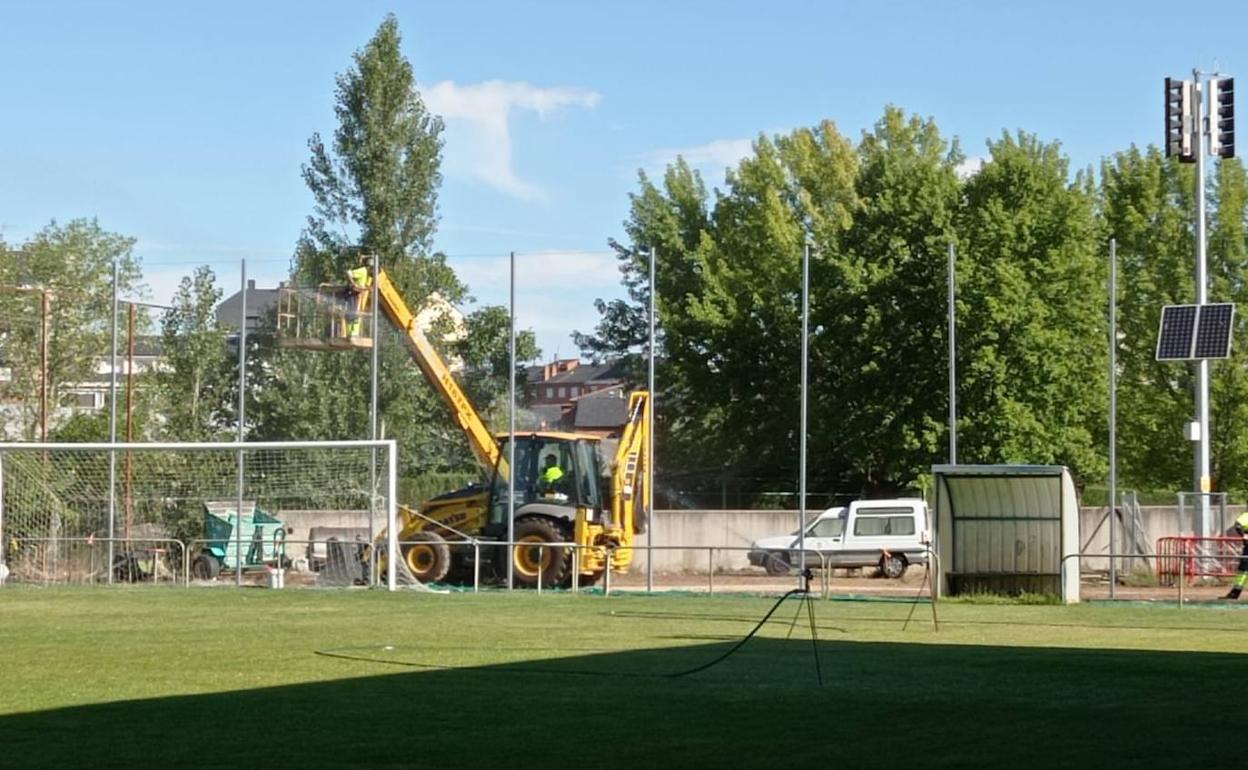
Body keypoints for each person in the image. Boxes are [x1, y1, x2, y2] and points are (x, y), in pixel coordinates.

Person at [345, 256, 374, 337]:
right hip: (352, 294)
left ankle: (354, 333)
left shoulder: (367, 274)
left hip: (357, 294)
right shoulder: (363, 270)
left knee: (356, 314)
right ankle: (351, 333)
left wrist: (368, 288)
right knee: (353, 313)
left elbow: (363, 285)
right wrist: (353, 283)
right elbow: (348, 272)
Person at [1223, 510, 1248, 600]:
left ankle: (1235, 593)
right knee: (1243, 570)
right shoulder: (1246, 516)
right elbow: (1238, 525)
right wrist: (1244, 535)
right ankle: (1235, 592)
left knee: (1243, 570)